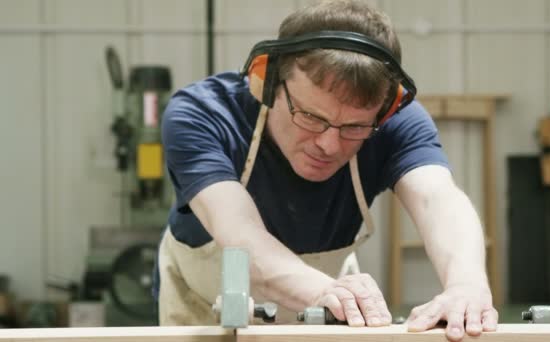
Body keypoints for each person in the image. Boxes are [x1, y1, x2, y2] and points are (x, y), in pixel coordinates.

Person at [153, 0, 497, 341]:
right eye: (311, 117)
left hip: (328, 296)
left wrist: (467, 284)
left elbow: (437, 198)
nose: (329, 145)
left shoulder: (390, 122)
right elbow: (243, 239)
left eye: (354, 127)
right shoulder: (202, 116)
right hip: (201, 303)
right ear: (267, 82)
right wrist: (327, 293)